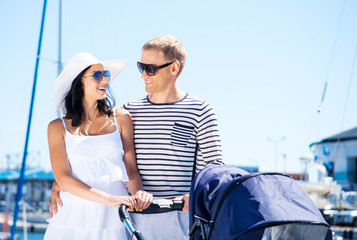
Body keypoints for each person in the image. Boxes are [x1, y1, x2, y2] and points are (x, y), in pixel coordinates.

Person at [50, 36, 224, 240]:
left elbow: (215, 167)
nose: (143, 75)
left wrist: (197, 197)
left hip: (180, 218)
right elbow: (105, 156)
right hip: (135, 218)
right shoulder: (130, 111)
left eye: (150, 68)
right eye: (141, 67)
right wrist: (60, 181)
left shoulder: (200, 110)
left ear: (174, 68)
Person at [44, 52, 152, 240]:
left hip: (114, 217)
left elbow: (130, 170)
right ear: (79, 82)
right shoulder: (56, 127)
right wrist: (108, 199)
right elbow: (63, 179)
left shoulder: (122, 118)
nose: (105, 81)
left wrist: (139, 197)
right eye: (97, 75)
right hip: (71, 217)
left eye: (106, 75)